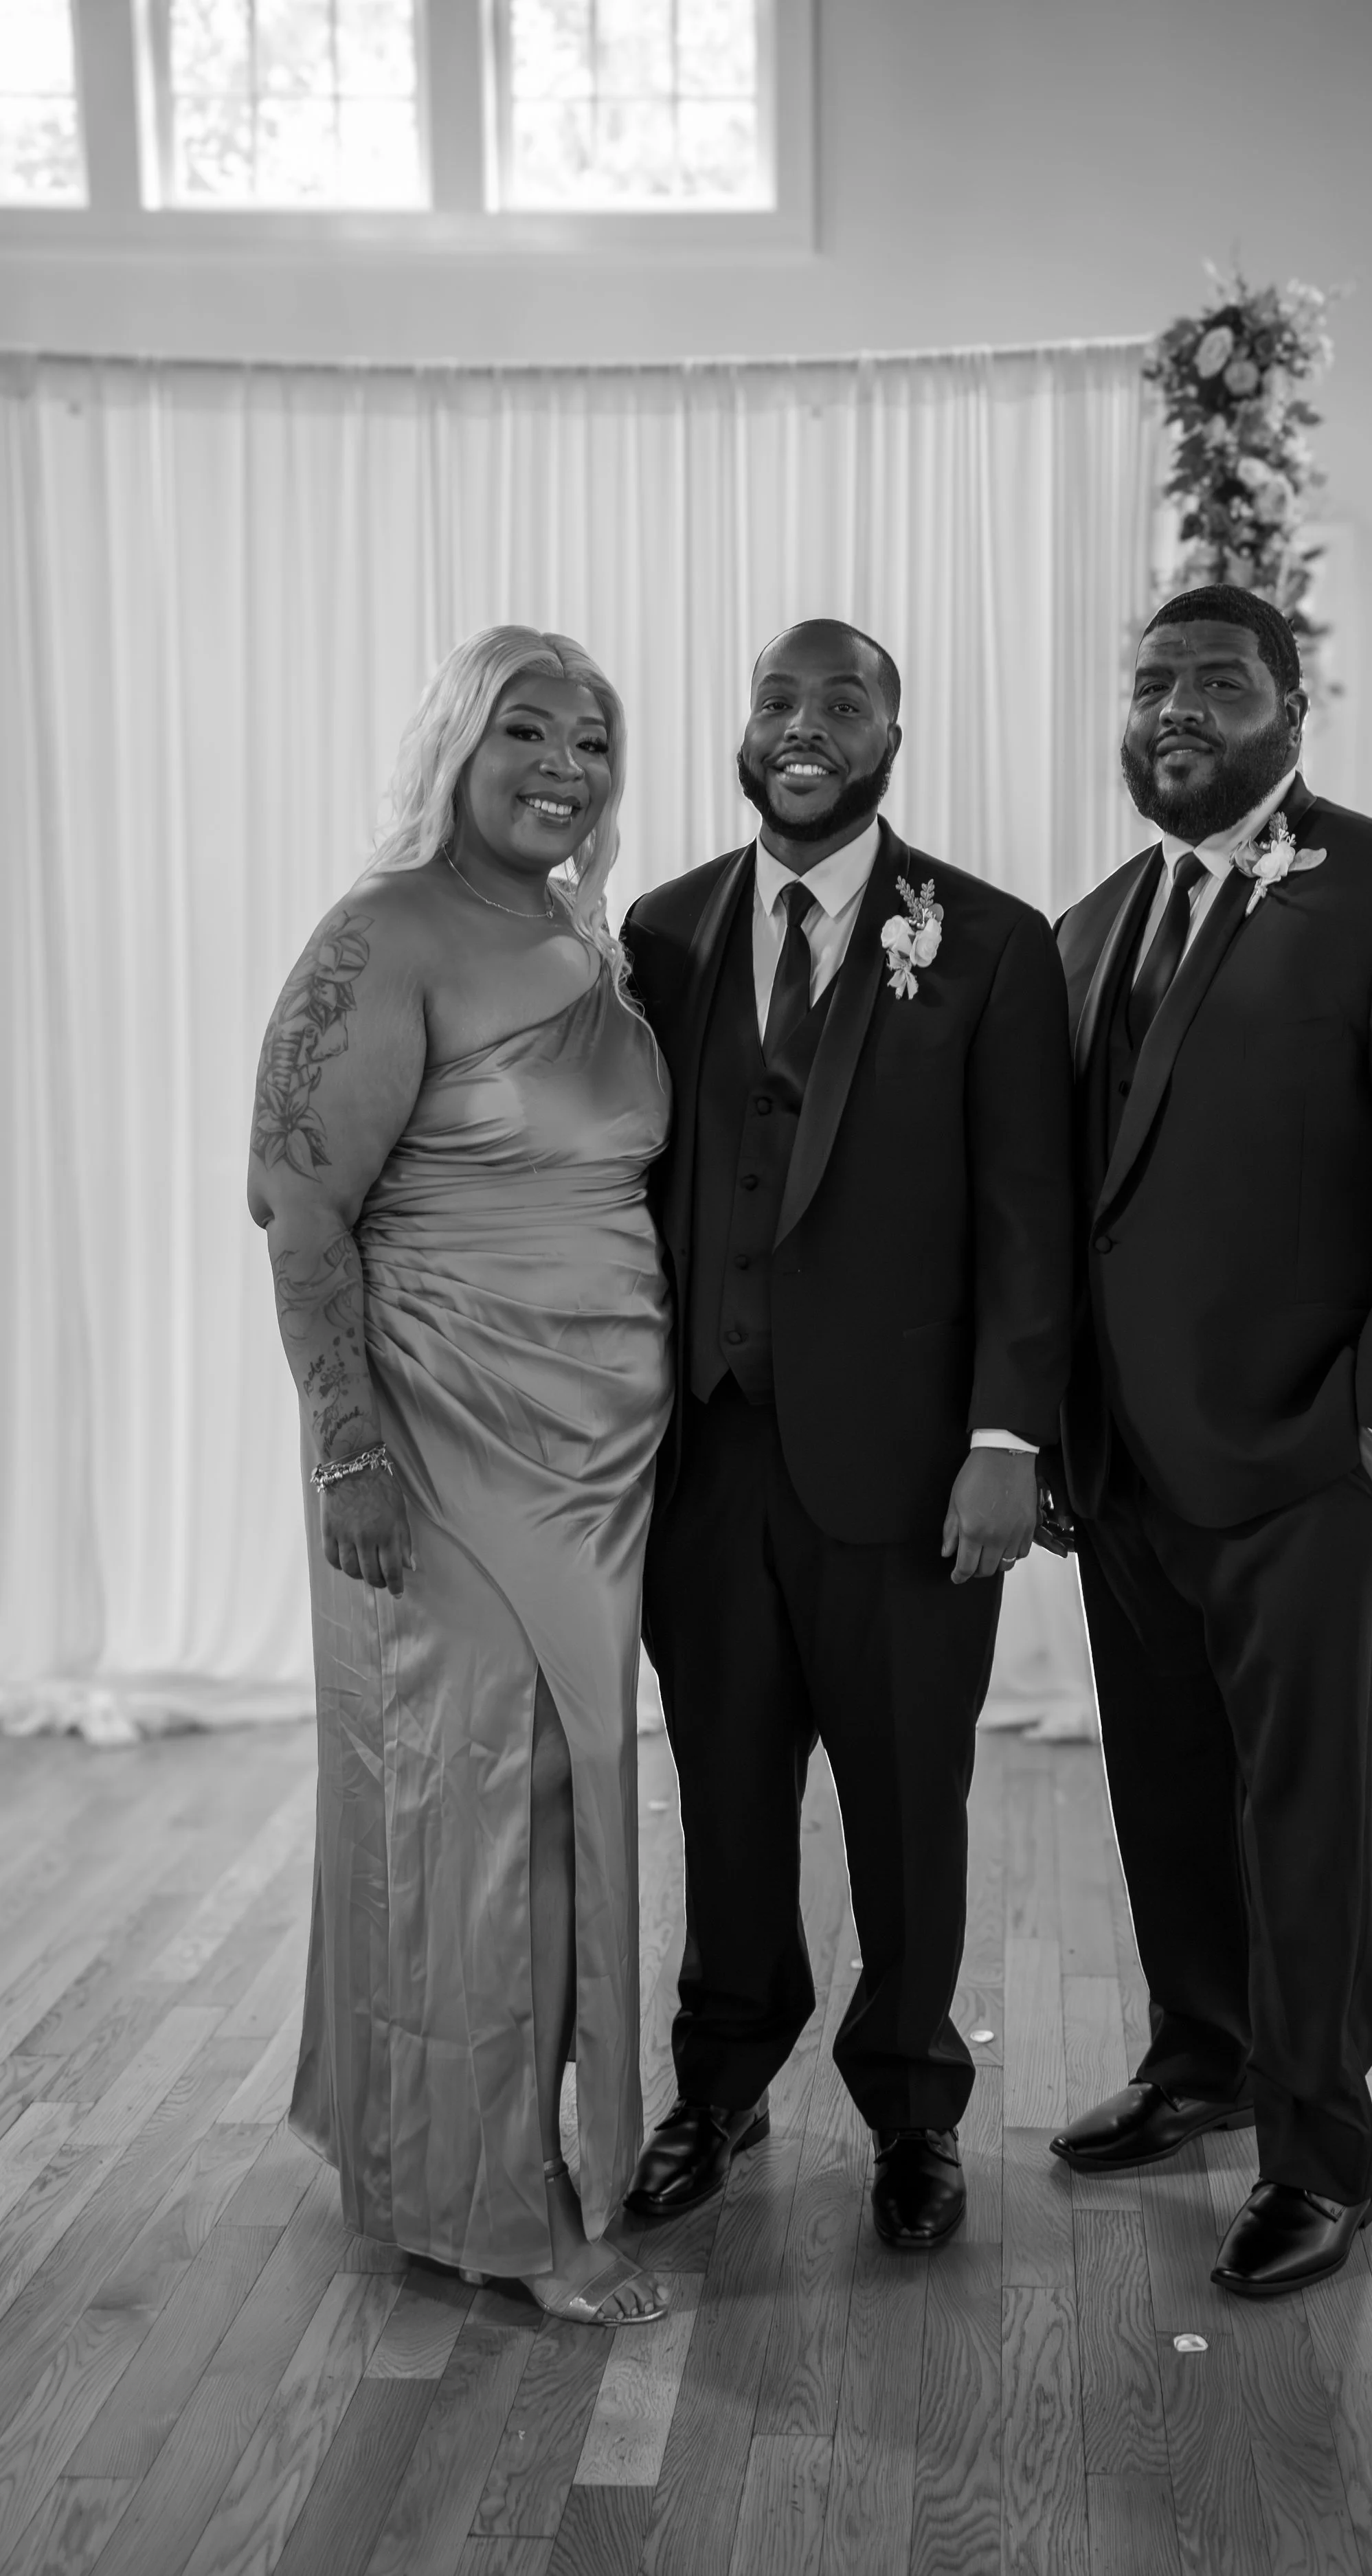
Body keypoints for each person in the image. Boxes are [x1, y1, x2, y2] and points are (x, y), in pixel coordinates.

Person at [1048, 585, 1372, 2295]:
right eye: (1149, 683)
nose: (1174, 706)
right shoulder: (1089, 925)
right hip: (1124, 1465)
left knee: (1306, 1814)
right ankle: (1201, 2063)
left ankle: (1320, 2153)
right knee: (1165, 1788)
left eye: (1215, 681)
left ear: (1289, 709)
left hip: (1312, 1460)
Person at [620, 620, 1074, 2249]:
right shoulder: (661, 931)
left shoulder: (989, 942)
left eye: (840, 701)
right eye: (776, 699)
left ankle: (910, 2105)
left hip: (907, 1463)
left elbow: (1028, 1213)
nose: (802, 724)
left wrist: (1007, 1436)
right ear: (744, 731)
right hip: (705, 1459)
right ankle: (719, 2083)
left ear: (891, 733)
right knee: (726, 1796)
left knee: (904, 1804)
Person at [247, 626, 671, 2325]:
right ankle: (499, 2204)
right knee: (478, 1816)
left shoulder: (580, 934)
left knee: (551, 1801)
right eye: (525, 730)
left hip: (597, 1463)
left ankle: (420, 2142)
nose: (563, 765)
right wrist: (346, 1447)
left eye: (591, 739)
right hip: (438, 1445)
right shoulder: (388, 931)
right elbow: (300, 1209)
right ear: (456, 744)